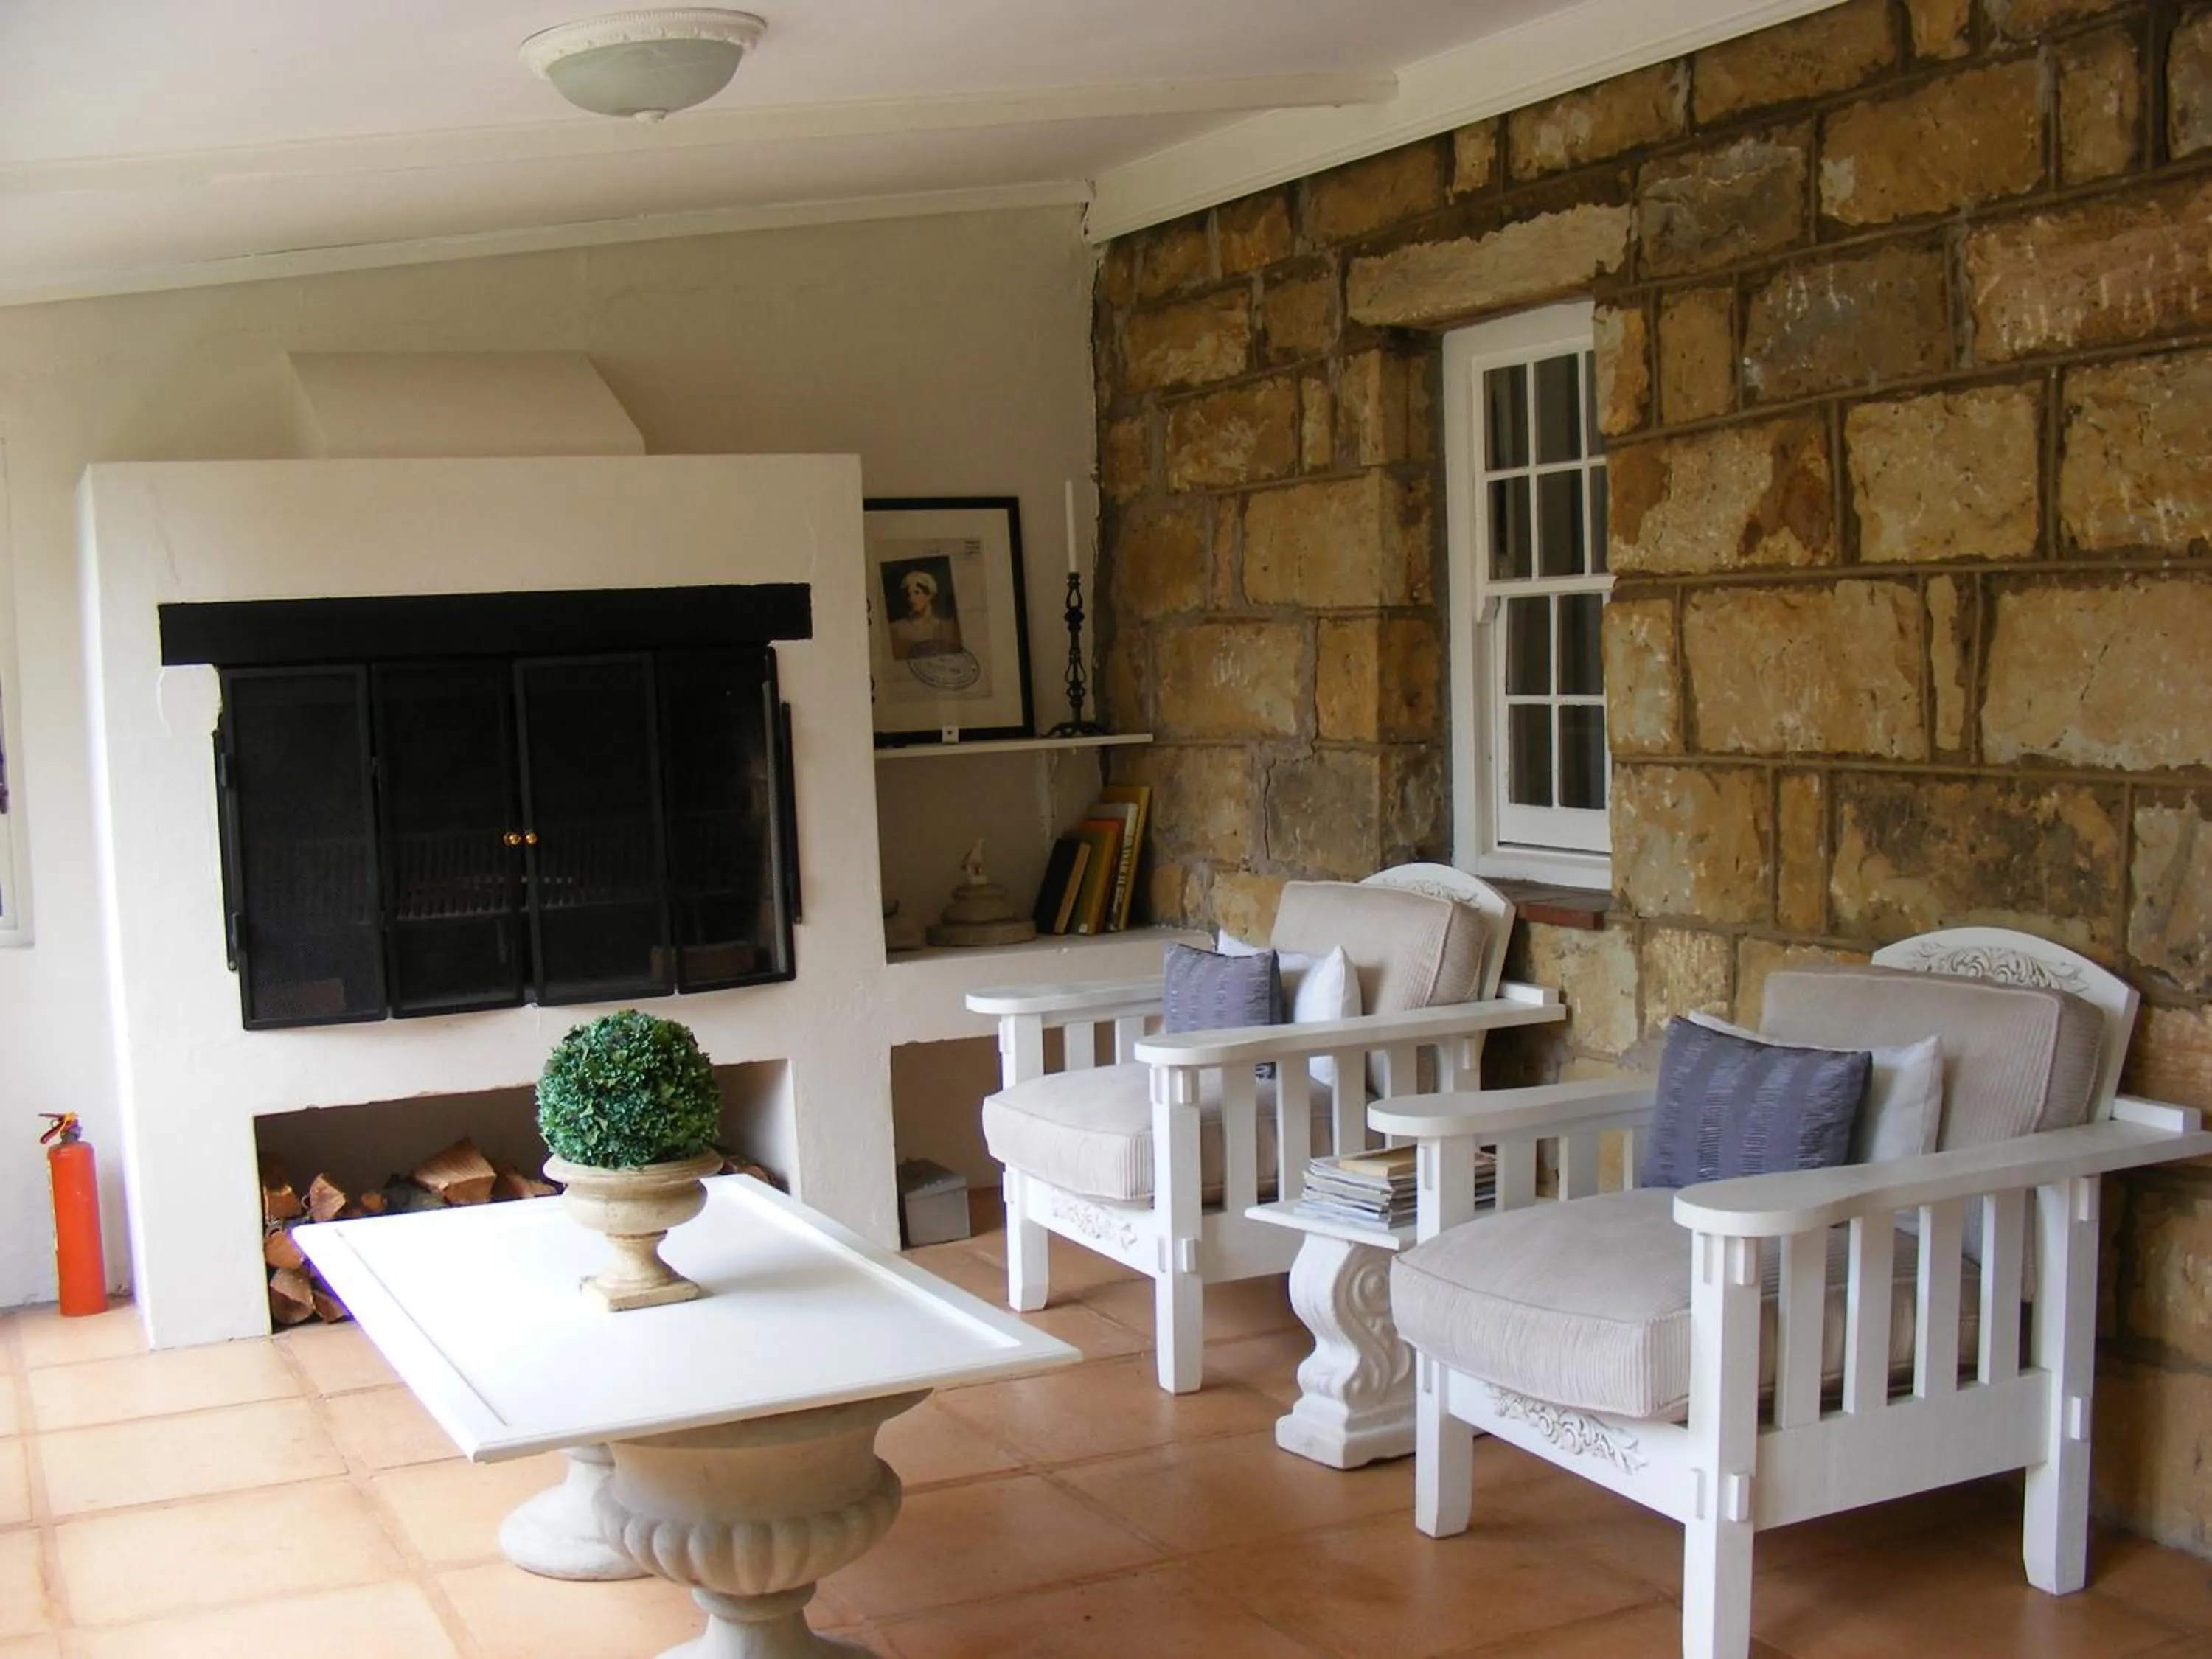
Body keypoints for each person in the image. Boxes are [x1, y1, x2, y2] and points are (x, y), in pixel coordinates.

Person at [888, 567, 961, 659]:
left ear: (929, 595)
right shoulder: (896, 629)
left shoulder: (946, 628)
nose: (911, 599)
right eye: (909, 594)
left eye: (917, 593)